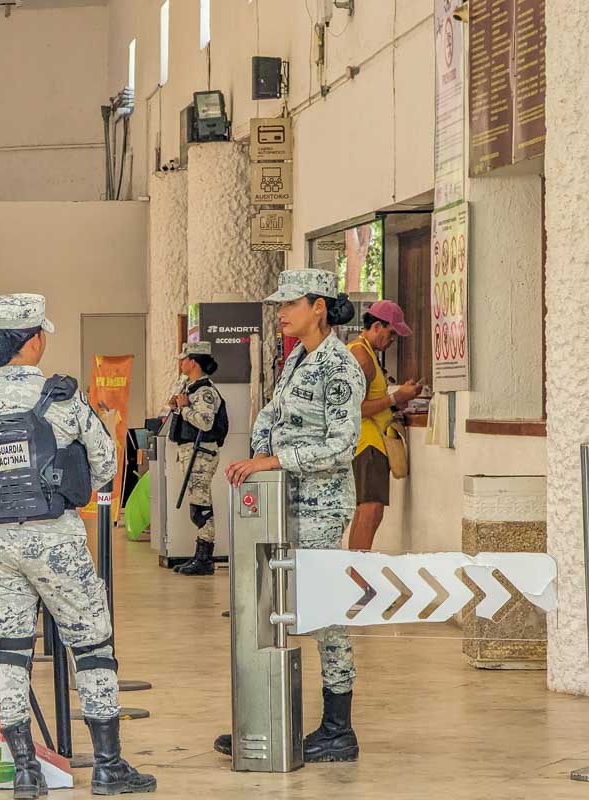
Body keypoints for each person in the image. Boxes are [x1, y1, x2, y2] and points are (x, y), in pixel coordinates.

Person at [0, 293, 156, 798]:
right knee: (92, 647)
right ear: (35, 339)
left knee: (11, 653)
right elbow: (105, 466)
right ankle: (108, 767)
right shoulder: (63, 399)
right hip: (57, 540)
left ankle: (24, 771)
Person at [214, 269, 364, 764]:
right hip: (280, 503)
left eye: (290, 304)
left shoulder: (338, 366)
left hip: (320, 505)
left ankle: (338, 729)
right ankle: (270, 718)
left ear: (318, 306)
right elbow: (272, 415)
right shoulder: (297, 358)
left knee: (324, 614)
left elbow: (342, 445)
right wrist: (259, 454)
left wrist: (275, 461)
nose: (281, 313)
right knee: (270, 606)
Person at [347, 301, 422, 579]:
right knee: (370, 512)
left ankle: (357, 579)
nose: (392, 341)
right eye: (391, 334)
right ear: (376, 326)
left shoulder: (366, 354)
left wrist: (395, 403)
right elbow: (353, 408)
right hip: (366, 444)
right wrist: (396, 397)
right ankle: (359, 582)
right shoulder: (361, 356)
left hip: (370, 441)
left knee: (367, 513)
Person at [167, 342, 227, 577]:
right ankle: (199, 555)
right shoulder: (189, 387)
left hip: (201, 453)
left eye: (184, 359)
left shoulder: (205, 392)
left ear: (194, 362)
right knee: (196, 505)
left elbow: (205, 422)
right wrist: (176, 406)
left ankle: (205, 558)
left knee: (201, 508)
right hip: (190, 451)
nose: (180, 363)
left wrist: (183, 409)